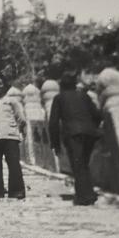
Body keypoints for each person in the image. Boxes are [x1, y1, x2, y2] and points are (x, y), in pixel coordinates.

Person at [49, 71, 102, 206]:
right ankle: (86, 193)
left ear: (61, 85)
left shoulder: (59, 98)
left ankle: (85, 197)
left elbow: (53, 122)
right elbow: (97, 115)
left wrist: (55, 144)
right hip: (90, 134)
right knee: (83, 163)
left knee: (78, 165)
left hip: (73, 134)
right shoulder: (84, 96)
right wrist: (92, 128)